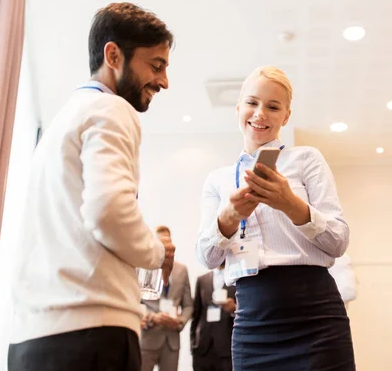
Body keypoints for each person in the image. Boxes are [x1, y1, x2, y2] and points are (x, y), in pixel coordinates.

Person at [8, 2, 175, 371]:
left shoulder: (61, 122)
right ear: (113, 55)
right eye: (156, 65)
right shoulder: (112, 109)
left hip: (32, 339)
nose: (164, 81)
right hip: (92, 335)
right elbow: (108, 211)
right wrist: (154, 251)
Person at [197, 66, 356, 370]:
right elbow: (206, 256)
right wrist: (228, 218)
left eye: (273, 107)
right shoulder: (218, 180)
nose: (260, 113)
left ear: (286, 116)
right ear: (238, 108)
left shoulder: (306, 159)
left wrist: (290, 204)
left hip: (317, 317)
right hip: (253, 320)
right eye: (252, 103)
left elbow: (338, 242)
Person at [140, 226, 194, 371]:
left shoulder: (182, 270)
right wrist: (151, 317)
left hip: (171, 340)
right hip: (148, 336)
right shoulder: (143, 266)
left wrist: (180, 322)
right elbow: (134, 301)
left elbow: (188, 305)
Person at [190, 261, 236, 371]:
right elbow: (196, 314)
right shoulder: (202, 279)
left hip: (226, 348)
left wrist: (234, 308)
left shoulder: (235, 280)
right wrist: (193, 343)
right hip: (202, 347)